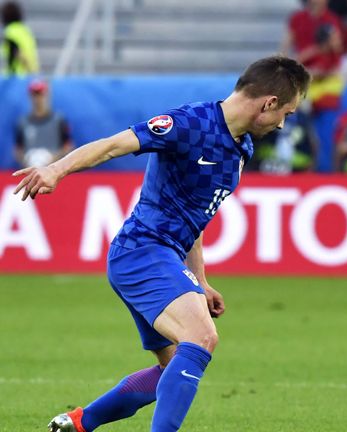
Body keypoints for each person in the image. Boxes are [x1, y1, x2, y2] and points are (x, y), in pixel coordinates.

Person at [13, 56, 310, 432]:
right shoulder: (188, 124)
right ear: (268, 103)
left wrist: (199, 280)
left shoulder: (243, 147)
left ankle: (78, 422)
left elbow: (196, 215)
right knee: (201, 338)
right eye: (286, 112)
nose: (284, 123)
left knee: (172, 370)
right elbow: (113, 145)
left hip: (164, 256)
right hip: (143, 250)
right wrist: (56, 169)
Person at [14, 79, 74, 168]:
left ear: (47, 95)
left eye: (40, 94)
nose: (37, 99)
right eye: (34, 95)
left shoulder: (59, 120)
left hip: (53, 170)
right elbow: (18, 149)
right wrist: (27, 161)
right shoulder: (23, 122)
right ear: (30, 96)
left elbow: (68, 146)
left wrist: (52, 159)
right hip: (31, 169)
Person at [1, 1, 39, 75]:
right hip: (28, 75)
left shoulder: (11, 31)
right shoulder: (25, 30)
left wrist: (29, 70)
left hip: (17, 76)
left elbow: (18, 52)